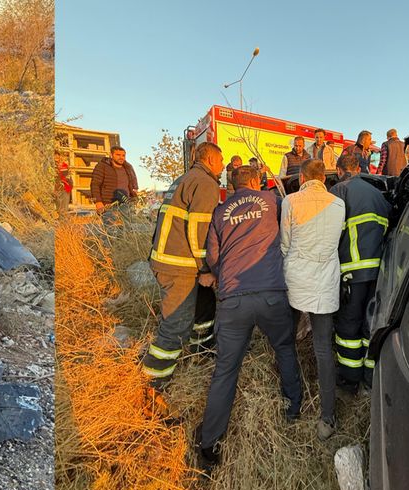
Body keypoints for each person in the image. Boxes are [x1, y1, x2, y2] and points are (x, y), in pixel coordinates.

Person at [197, 166, 302, 472]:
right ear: (256, 182)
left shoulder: (220, 212)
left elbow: (213, 258)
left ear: (232, 184)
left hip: (233, 299)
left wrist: (225, 277)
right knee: (284, 349)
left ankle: (210, 443)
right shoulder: (272, 201)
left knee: (225, 370)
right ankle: (293, 410)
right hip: (271, 293)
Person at [143, 142, 222, 388]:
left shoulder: (184, 179)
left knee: (204, 308)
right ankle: (154, 382)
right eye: (221, 161)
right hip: (180, 265)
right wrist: (206, 269)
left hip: (171, 260)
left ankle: (202, 353)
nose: (223, 166)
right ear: (211, 160)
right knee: (177, 324)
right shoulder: (205, 183)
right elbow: (200, 230)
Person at [280, 159, 345, 440]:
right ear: (324, 178)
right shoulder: (338, 204)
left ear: (303, 177)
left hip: (296, 278)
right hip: (325, 281)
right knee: (323, 348)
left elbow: (285, 243)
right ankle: (327, 418)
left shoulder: (291, 201)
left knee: (287, 340)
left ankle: (290, 403)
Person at [330, 154, 391, 392]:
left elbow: (330, 231)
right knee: (370, 325)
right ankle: (369, 377)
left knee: (348, 325)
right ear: (358, 168)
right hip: (379, 272)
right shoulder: (377, 194)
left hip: (352, 271)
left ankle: (349, 378)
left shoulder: (340, 190)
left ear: (339, 170)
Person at [90, 146, 138, 223]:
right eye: (118, 155)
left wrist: (134, 197)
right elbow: (95, 184)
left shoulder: (128, 167)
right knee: (110, 227)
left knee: (128, 226)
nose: (121, 157)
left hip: (126, 203)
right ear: (111, 155)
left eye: (123, 155)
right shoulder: (102, 166)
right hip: (109, 204)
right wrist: (98, 202)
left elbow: (134, 183)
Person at [54, 151, 73, 218]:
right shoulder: (51, 166)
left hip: (64, 188)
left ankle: (64, 221)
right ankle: (61, 220)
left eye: (57, 155)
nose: (56, 157)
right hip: (57, 189)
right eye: (54, 155)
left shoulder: (63, 166)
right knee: (58, 208)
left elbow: (67, 177)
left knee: (64, 209)